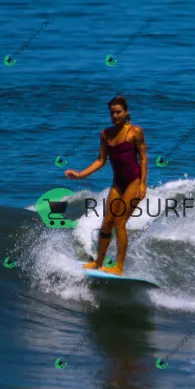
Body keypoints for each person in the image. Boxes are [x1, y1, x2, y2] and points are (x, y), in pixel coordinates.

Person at [64, 96, 148, 276]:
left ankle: (118, 267)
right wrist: (80, 175)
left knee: (120, 222)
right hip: (117, 184)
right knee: (107, 223)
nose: (115, 116)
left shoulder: (135, 132)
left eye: (118, 112)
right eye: (112, 113)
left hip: (133, 182)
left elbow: (143, 159)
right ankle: (98, 262)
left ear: (126, 112)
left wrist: (143, 184)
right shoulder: (105, 134)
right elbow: (100, 160)